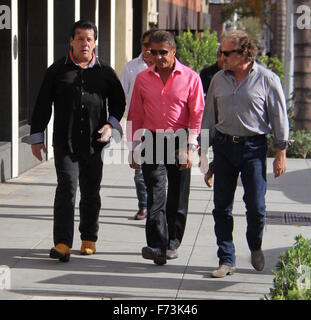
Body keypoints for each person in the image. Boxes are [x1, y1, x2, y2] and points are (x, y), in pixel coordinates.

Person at [29, 20, 126, 262]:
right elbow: (42, 105)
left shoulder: (105, 72)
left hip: (94, 144)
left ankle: (88, 239)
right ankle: (62, 243)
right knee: (67, 189)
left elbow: (118, 102)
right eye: (80, 38)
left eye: (89, 39)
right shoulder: (57, 71)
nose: (85, 43)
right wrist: (37, 137)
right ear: (71, 41)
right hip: (65, 143)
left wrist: (110, 124)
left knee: (91, 192)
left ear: (95, 43)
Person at [201, 30, 289, 278]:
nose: (222, 56)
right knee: (221, 208)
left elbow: (279, 118)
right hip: (224, 147)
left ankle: (255, 245)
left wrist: (280, 152)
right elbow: (209, 118)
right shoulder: (218, 79)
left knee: (256, 207)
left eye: (227, 52)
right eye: (221, 52)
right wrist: (204, 154)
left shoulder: (267, 79)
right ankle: (226, 259)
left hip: (254, 148)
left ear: (244, 53)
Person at [127, 30, 204, 265]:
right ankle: (157, 245)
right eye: (153, 52)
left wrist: (191, 146)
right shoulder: (142, 79)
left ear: (173, 52)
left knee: (178, 196)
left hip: (180, 139)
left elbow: (196, 115)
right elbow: (135, 115)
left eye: (163, 52)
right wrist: (133, 147)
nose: (158, 57)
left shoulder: (190, 78)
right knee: (155, 193)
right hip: (151, 140)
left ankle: (172, 243)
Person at [120, 29, 155, 220]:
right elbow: (120, 95)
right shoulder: (131, 67)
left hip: (160, 127)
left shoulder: (165, 68)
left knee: (159, 172)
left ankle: (156, 206)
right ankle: (143, 206)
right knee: (139, 170)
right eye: (145, 45)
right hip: (137, 125)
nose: (148, 49)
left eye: (152, 45)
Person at [199, 48, 224, 188]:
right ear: (217, 56)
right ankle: (208, 168)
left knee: (220, 151)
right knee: (212, 148)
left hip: (225, 119)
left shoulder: (233, 73)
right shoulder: (207, 73)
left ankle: (210, 170)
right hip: (210, 117)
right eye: (221, 55)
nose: (223, 59)